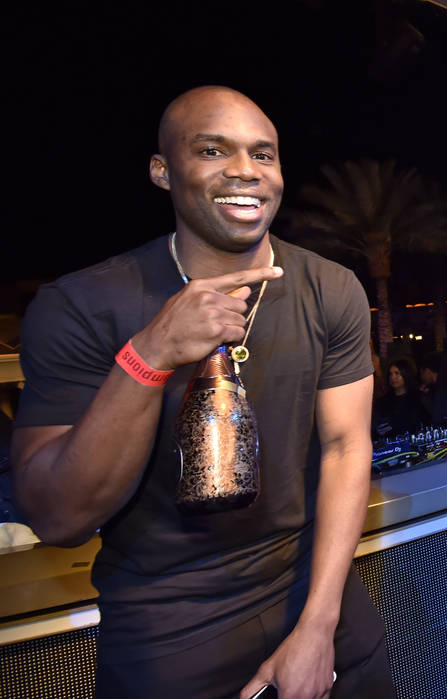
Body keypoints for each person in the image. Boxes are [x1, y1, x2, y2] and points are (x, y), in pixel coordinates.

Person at [10, 86, 394, 699]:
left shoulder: (332, 288)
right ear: (163, 171)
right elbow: (59, 517)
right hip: (171, 619)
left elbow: (347, 448)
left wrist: (319, 625)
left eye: (263, 155)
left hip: (315, 588)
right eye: (213, 150)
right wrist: (151, 354)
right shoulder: (81, 305)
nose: (245, 170)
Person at [373, 357, 430, 436]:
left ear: (406, 374)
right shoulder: (383, 402)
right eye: (390, 374)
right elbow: (378, 426)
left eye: (397, 373)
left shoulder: (419, 398)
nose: (393, 377)